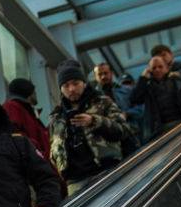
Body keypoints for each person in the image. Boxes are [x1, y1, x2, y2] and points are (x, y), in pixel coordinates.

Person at [49, 60, 127, 195]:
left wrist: (94, 121)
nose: (71, 89)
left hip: (104, 170)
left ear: (84, 83)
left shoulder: (102, 102)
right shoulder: (57, 116)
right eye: (66, 85)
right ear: (61, 89)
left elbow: (123, 129)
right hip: (75, 180)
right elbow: (54, 148)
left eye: (75, 83)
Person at [130, 55, 181, 139]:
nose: (157, 70)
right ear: (150, 70)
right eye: (154, 68)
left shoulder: (179, 81)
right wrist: (143, 78)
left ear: (167, 68)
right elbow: (134, 99)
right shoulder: (147, 87)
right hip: (161, 130)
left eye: (160, 67)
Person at [93, 63, 141, 156]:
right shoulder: (94, 98)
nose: (103, 76)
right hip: (110, 140)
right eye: (100, 74)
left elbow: (140, 107)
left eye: (106, 73)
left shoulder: (126, 90)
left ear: (111, 73)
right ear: (95, 77)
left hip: (132, 133)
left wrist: (127, 114)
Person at [3, 78, 51, 161]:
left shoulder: (25, 110)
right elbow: (16, 136)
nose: (36, 94)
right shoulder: (12, 107)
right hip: (34, 165)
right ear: (28, 93)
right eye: (34, 91)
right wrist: (39, 153)